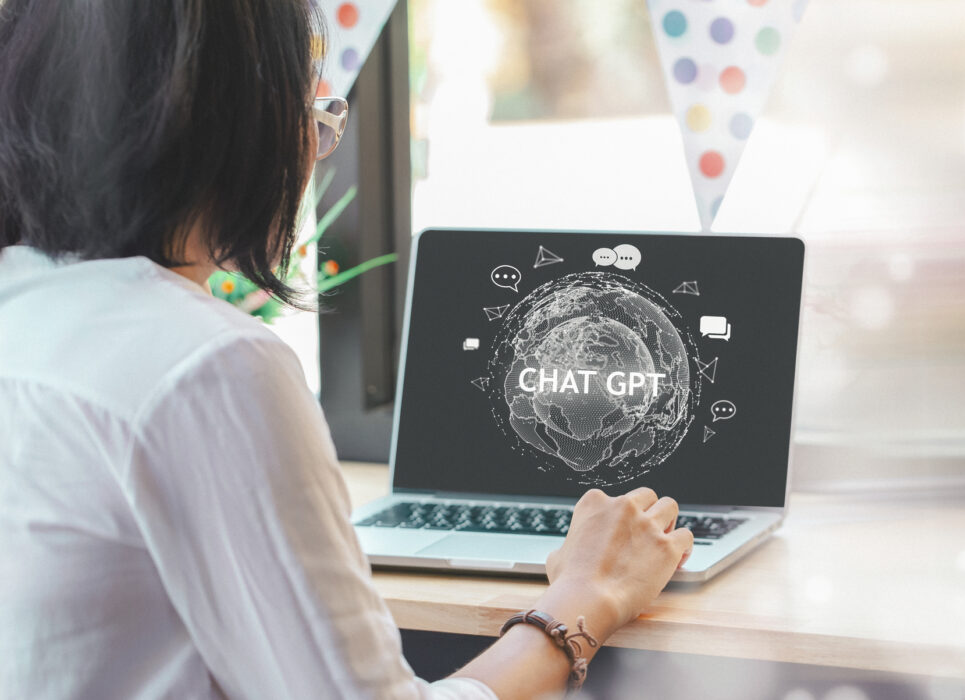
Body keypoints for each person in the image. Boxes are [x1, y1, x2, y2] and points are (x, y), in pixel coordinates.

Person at [0, 1, 694, 698]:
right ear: (235, 123)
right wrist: (583, 597)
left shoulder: (25, 308)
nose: (313, 145)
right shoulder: (205, 367)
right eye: (312, 110)